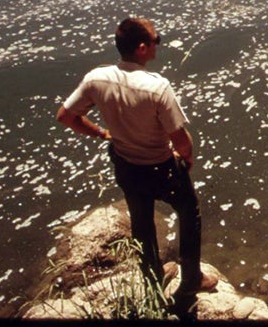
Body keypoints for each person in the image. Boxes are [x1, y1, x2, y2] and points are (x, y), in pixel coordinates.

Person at [56, 16, 216, 310]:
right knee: (189, 212)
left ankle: (153, 283)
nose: (159, 44)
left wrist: (101, 133)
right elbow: (181, 140)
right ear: (142, 49)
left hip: (128, 166)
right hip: (162, 167)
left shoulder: (97, 78)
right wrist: (187, 159)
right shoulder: (156, 87)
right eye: (157, 40)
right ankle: (191, 279)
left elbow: (66, 116)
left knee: (142, 226)